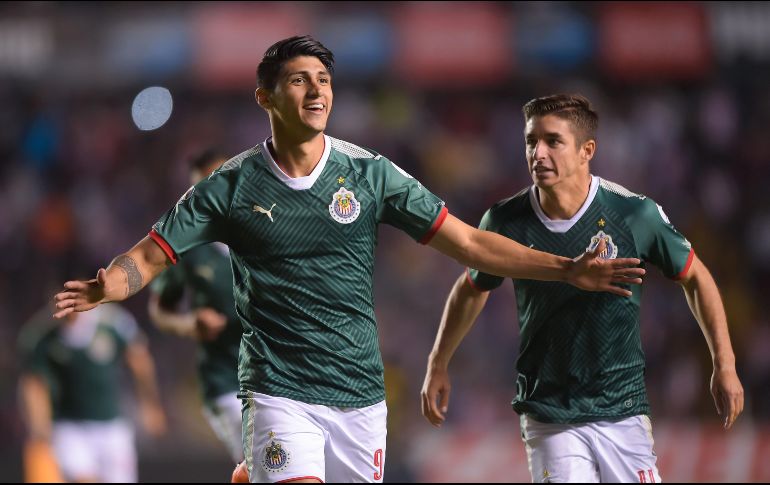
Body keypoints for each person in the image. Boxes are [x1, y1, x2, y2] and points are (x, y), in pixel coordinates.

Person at [53, 37, 645, 483]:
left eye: (324, 80)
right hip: (278, 388)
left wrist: (565, 268)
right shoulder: (229, 187)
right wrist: (108, 286)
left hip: (359, 394)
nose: (317, 91)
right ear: (265, 97)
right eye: (299, 80)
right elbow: (148, 257)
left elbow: (468, 243)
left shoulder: (369, 174)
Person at [420, 94, 745, 483]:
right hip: (550, 413)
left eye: (553, 141)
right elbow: (472, 288)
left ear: (586, 150)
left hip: (622, 409)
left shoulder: (633, 213)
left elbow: (696, 277)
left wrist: (724, 364)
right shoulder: (505, 221)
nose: (538, 153)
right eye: (531, 141)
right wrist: (438, 362)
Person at [147, 148, 244, 467]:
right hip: (227, 379)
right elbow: (160, 310)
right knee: (263, 458)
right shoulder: (190, 248)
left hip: (284, 376)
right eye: (201, 188)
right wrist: (190, 324)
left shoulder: (272, 231)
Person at [19, 302, 166, 483]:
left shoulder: (114, 322)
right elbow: (35, 384)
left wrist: (151, 405)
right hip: (70, 428)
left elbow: (140, 361)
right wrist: (40, 425)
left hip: (112, 427)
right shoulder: (43, 333)